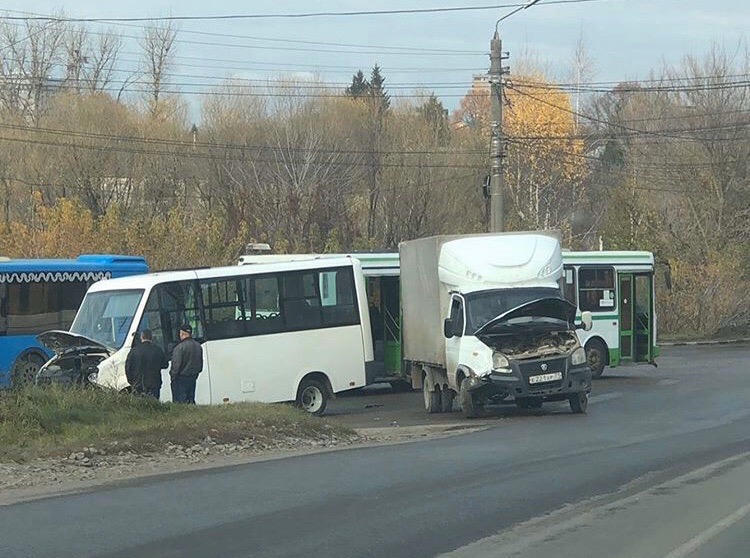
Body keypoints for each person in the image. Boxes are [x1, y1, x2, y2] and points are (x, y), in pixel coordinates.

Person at [125, 329, 168, 398]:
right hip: (154, 383)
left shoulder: (134, 351)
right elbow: (165, 365)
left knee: (139, 406)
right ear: (152, 338)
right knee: (153, 406)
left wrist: (132, 381)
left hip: (138, 384)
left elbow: (128, 367)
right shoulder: (158, 350)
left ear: (141, 337)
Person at [170, 324, 203, 404]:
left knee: (181, 401)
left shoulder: (179, 348)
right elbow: (200, 363)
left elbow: (176, 365)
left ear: (182, 334)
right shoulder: (198, 346)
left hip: (181, 378)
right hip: (193, 376)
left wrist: (173, 376)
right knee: (191, 399)